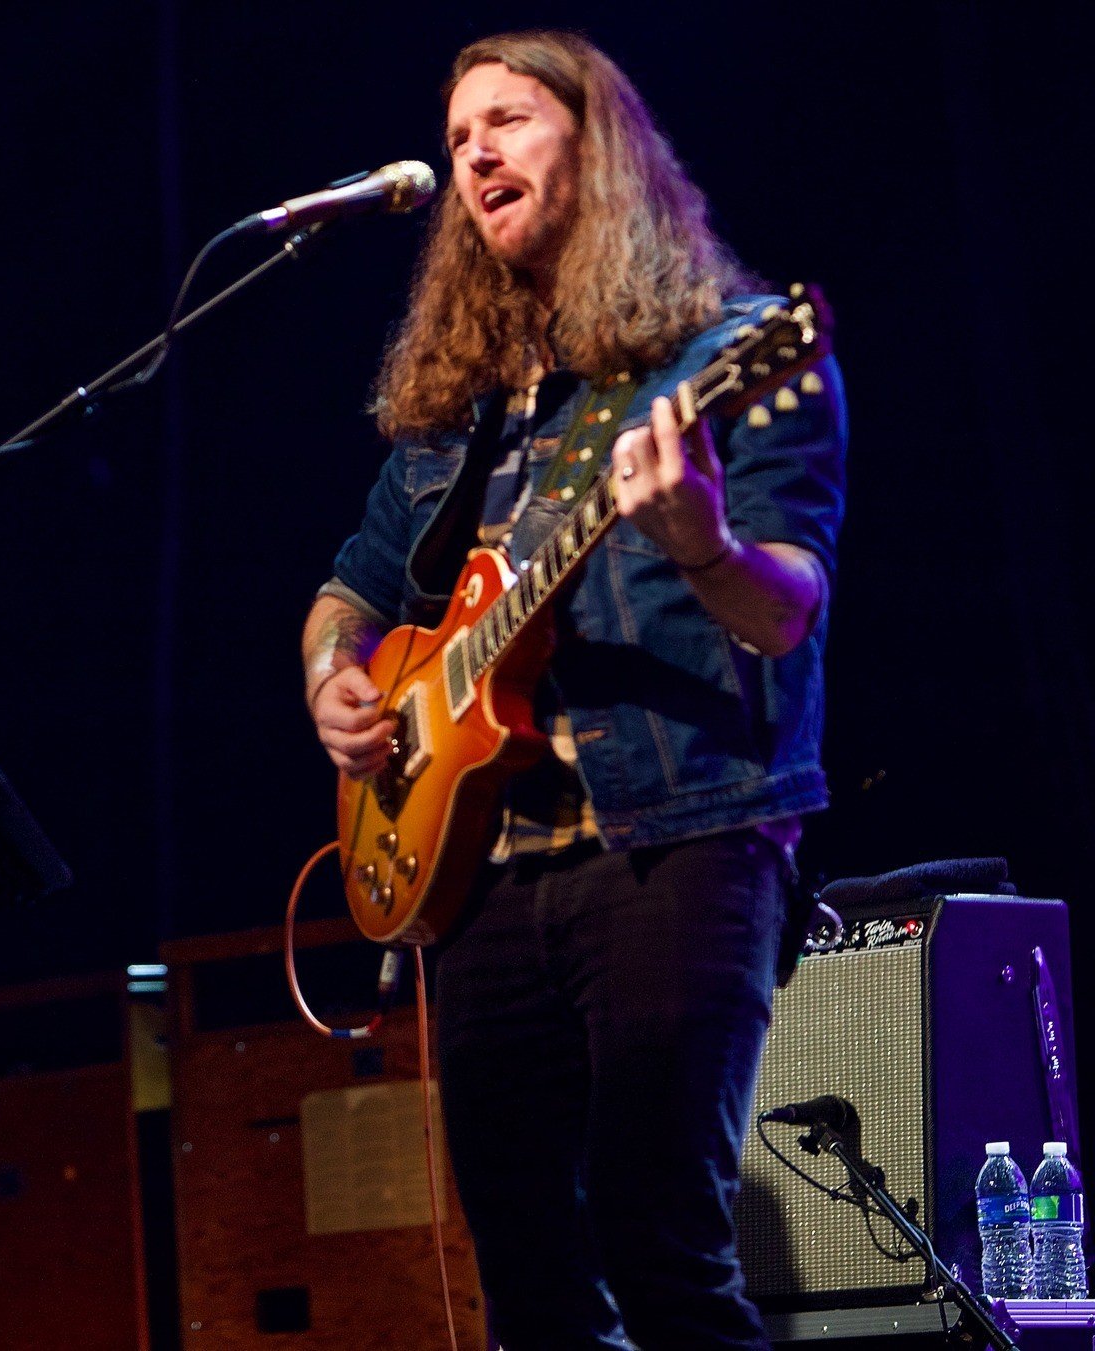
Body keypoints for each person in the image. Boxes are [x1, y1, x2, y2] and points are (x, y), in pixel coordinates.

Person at [302, 31, 844, 1350]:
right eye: (457, 137)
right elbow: (353, 588)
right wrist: (336, 678)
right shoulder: (463, 409)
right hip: (486, 873)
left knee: (662, 1248)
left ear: (596, 148)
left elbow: (788, 609)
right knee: (533, 1287)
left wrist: (700, 541)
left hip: (676, 838)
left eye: (508, 119)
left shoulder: (738, 353)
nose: (474, 150)